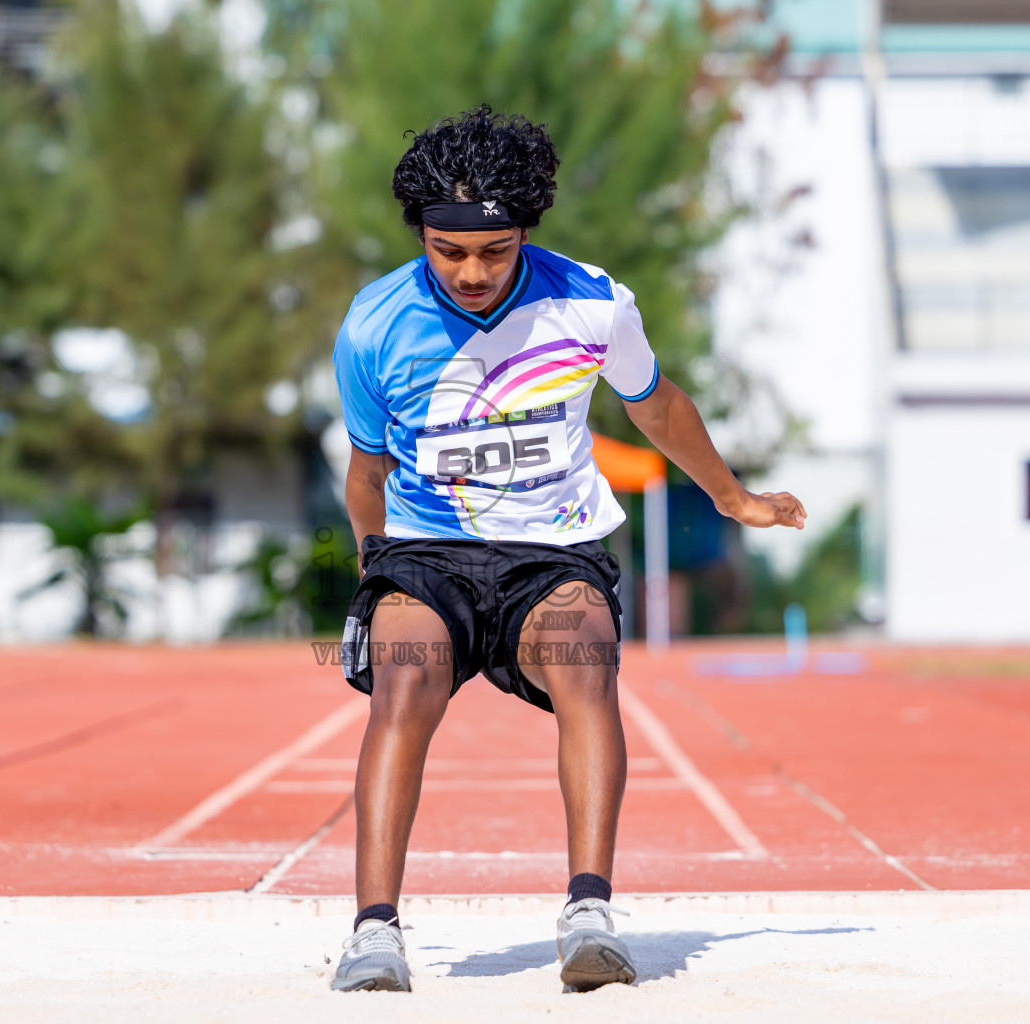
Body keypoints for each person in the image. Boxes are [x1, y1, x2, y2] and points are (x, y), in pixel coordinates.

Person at [329, 106, 805, 994]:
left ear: (526, 233)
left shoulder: (590, 301)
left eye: (495, 250)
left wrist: (733, 496)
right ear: (422, 237)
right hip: (428, 548)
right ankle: (374, 933)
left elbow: (655, 406)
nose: (471, 271)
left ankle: (589, 913)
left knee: (587, 661)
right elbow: (366, 472)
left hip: (555, 551)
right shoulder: (372, 325)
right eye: (448, 250)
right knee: (403, 677)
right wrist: (373, 570)